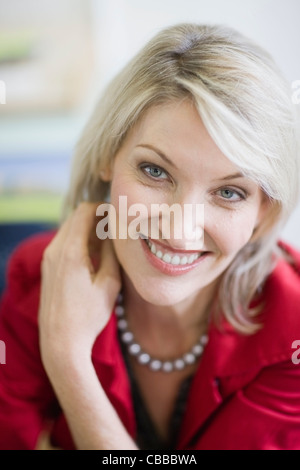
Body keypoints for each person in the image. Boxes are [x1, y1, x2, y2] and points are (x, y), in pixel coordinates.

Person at [0, 23, 300, 451]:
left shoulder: (293, 326)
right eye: (155, 171)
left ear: (263, 212)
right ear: (109, 155)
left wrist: (68, 361)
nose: (179, 231)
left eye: (229, 192)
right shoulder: (40, 274)